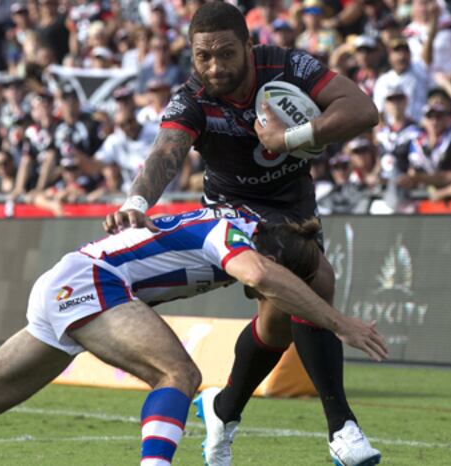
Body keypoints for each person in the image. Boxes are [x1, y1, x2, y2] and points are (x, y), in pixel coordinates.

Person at [0, 207, 388, 466]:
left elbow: (265, 286)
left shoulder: (234, 226)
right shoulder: (232, 235)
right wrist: (343, 324)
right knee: (179, 375)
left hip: (70, 282)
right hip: (89, 283)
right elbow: (262, 276)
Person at [102, 3, 382, 466]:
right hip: (230, 212)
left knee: (277, 323)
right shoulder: (192, 97)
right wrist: (136, 202)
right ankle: (342, 429)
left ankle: (224, 407)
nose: (214, 67)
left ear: (249, 47)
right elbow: (165, 154)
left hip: (295, 206)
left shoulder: (288, 66)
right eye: (202, 56)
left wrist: (288, 139)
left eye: (226, 53)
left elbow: (362, 110)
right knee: (317, 277)